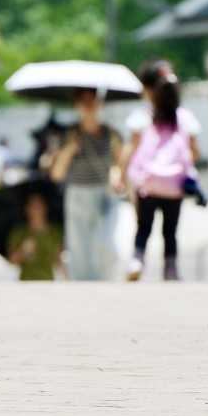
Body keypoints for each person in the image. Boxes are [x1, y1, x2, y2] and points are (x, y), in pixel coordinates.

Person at [119, 60, 205, 281]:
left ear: (148, 90)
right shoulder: (185, 118)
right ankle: (170, 268)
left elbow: (131, 148)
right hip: (174, 186)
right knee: (170, 231)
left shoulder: (143, 116)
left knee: (143, 227)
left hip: (147, 184)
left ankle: (137, 260)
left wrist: (121, 174)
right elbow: (196, 152)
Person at [49, 89, 123, 281]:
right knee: (79, 247)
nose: (89, 105)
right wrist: (69, 149)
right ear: (77, 104)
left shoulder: (112, 134)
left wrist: (117, 178)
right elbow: (56, 174)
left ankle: (105, 283)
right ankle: (82, 288)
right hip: (78, 194)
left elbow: (120, 166)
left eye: (93, 100)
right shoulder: (69, 134)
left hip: (105, 195)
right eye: (84, 101)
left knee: (105, 243)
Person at [6, 189, 64, 281]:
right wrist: (23, 250)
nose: (36, 209)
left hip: (49, 283)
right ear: (26, 209)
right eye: (32, 206)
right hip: (25, 283)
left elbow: (60, 261)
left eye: (39, 205)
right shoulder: (19, 232)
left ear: (46, 208)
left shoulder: (55, 232)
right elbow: (11, 261)